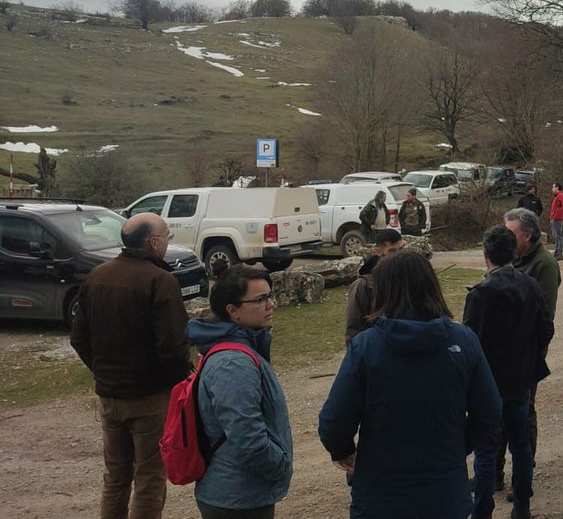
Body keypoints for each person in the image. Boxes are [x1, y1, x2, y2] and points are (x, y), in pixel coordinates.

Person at [319, 251, 501, 517]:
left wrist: (343, 450)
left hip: (381, 495)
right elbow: (490, 411)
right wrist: (458, 445)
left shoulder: (367, 347)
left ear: (384, 290)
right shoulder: (463, 340)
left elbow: (334, 420)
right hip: (444, 493)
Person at [69, 212, 191, 519]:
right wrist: (180, 384)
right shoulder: (160, 280)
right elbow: (173, 347)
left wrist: (103, 372)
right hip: (149, 398)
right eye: (166, 236)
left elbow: (78, 338)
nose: (167, 242)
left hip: (109, 397)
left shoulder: (97, 275)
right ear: (153, 242)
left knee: (116, 478)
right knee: (149, 479)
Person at [185, 266, 293, 518]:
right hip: (236, 498)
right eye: (260, 299)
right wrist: (279, 466)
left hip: (241, 492)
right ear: (233, 311)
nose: (271, 304)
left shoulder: (242, 349)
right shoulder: (232, 363)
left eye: (270, 295)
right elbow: (247, 437)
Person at [464, 226, 554, 519]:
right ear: (514, 252)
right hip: (520, 379)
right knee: (521, 445)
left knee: (487, 449)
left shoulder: (481, 293)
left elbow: (470, 342)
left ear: (486, 254)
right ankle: (522, 507)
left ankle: (483, 510)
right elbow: (546, 328)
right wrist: (531, 359)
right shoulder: (530, 285)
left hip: (489, 382)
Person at [499, 207, 561, 485]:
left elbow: (544, 317)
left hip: (526, 351)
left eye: (511, 233)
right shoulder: (511, 257)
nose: (506, 238)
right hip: (502, 351)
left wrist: (532, 353)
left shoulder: (544, 265)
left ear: (527, 235)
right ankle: (494, 473)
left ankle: (521, 477)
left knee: (523, 412)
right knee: (496, 409)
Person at [343, 228, 407, 346]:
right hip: (376, 349)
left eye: (401, 250)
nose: (399, 256)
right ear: (378, 252)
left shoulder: (412, 276)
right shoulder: (363, 286)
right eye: (392, 251)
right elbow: (353, 328)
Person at [549, 182, 563, 260]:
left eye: (553, 187)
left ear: (557, 188)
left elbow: (559, 208)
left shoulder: (560, 196)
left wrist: (555, 217)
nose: (552, 189)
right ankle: (557, 251)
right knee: (556, 236)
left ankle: (559, 252)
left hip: (557, 219)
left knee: (558, 236)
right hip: (554, 218)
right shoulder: (557, 196)